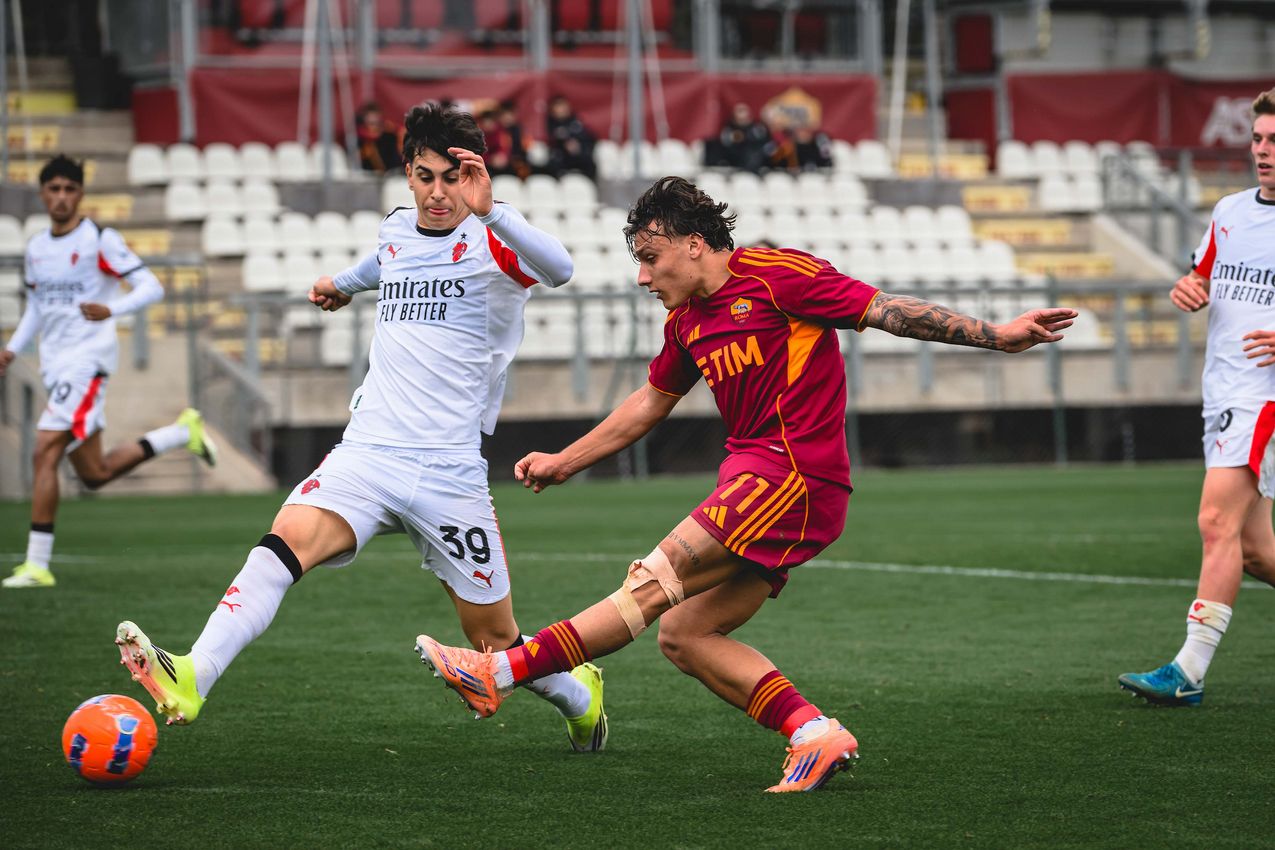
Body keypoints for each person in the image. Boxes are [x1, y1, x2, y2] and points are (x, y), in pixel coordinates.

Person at [414, 175, 1077, 791]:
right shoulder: (687, 322)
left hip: (792, 474)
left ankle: (497, 671)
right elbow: (649, 402)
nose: (643, 276)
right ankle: (813, 732)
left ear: (694, 244)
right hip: (768, 484)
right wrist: (567, 459)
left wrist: (996, 335)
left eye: (651, 258)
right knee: (685, 634)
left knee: (652, 582)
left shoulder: (778, 277)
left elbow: (884, 311)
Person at [112, 104, 608, 753]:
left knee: (494, 640)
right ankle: (194, 675)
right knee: (280, 547)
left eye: (451, 179)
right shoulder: (398, 229)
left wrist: (492, 210)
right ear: (406, 173)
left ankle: (579, 695)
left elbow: (563, 268)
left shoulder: (496, 240)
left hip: (448, 469)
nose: (437, 193)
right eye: (425, 176)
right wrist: (340, 285)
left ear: (473, 177)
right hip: (367, 452)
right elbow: (384, 261)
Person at [1118, 88, 1275, 706]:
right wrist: (1188, 288)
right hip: (1225, 390)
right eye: (1260, 140)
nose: (1264, 152)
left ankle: (1188, 671)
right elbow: (1202, 275)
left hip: (1264, 397)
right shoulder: (1230, 210)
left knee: (1215, 521)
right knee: (1259, 552)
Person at [1, 154, 216, 590]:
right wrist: (11, 350)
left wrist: (110, 310)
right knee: (93, 473)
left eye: (70, 189)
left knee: (45, 448)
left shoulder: (99, 238)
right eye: (54, 188)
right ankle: (180, 433)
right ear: (43, 194)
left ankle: (37, 565)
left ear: (80, 194)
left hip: (87, 363)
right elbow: (39, 308)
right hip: (55, 363)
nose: (61, 196)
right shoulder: (38, 249)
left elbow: (151, 286)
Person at [545, 95, 596, 180]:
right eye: (558, 106)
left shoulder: (576, 123)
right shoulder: (549, 125)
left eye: (564, 106)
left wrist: (578, 147)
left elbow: (590, 138)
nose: (562, 109)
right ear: (552, 109)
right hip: (561, 162)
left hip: (580, 160)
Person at [356, 103, 403, 174]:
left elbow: (396, 159)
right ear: (364, 119)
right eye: (370, 120)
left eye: (375, 118)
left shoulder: (389, 136)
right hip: (368, 176)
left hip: (390, 175)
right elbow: (354, 160)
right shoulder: (359, 139)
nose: (373, 121)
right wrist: (363, 154)